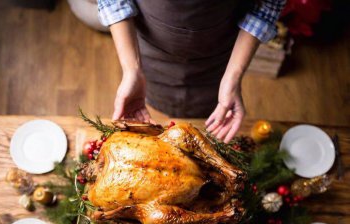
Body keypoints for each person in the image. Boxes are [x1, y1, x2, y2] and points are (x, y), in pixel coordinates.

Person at [97, 0, 286, 142]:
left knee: (212, 110)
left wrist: (234, 74)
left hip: (220, 54)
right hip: (150, 50)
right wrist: (132, 69)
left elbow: (267, 5)